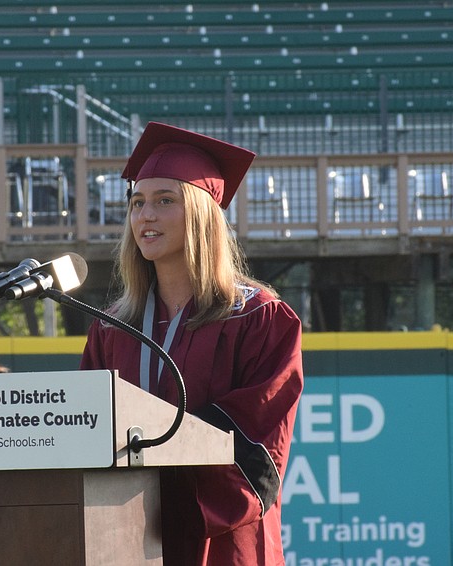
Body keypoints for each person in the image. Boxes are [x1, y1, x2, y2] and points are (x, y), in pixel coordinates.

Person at [80, 122, 303, 565]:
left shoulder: (258, 317)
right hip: (122, 535)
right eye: (138, 202)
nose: (146, 215)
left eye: (166, 201)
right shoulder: (112, 328)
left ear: (202, 214)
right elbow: (86, 426)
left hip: (219, 541)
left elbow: (259, 442)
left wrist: (152, 460)